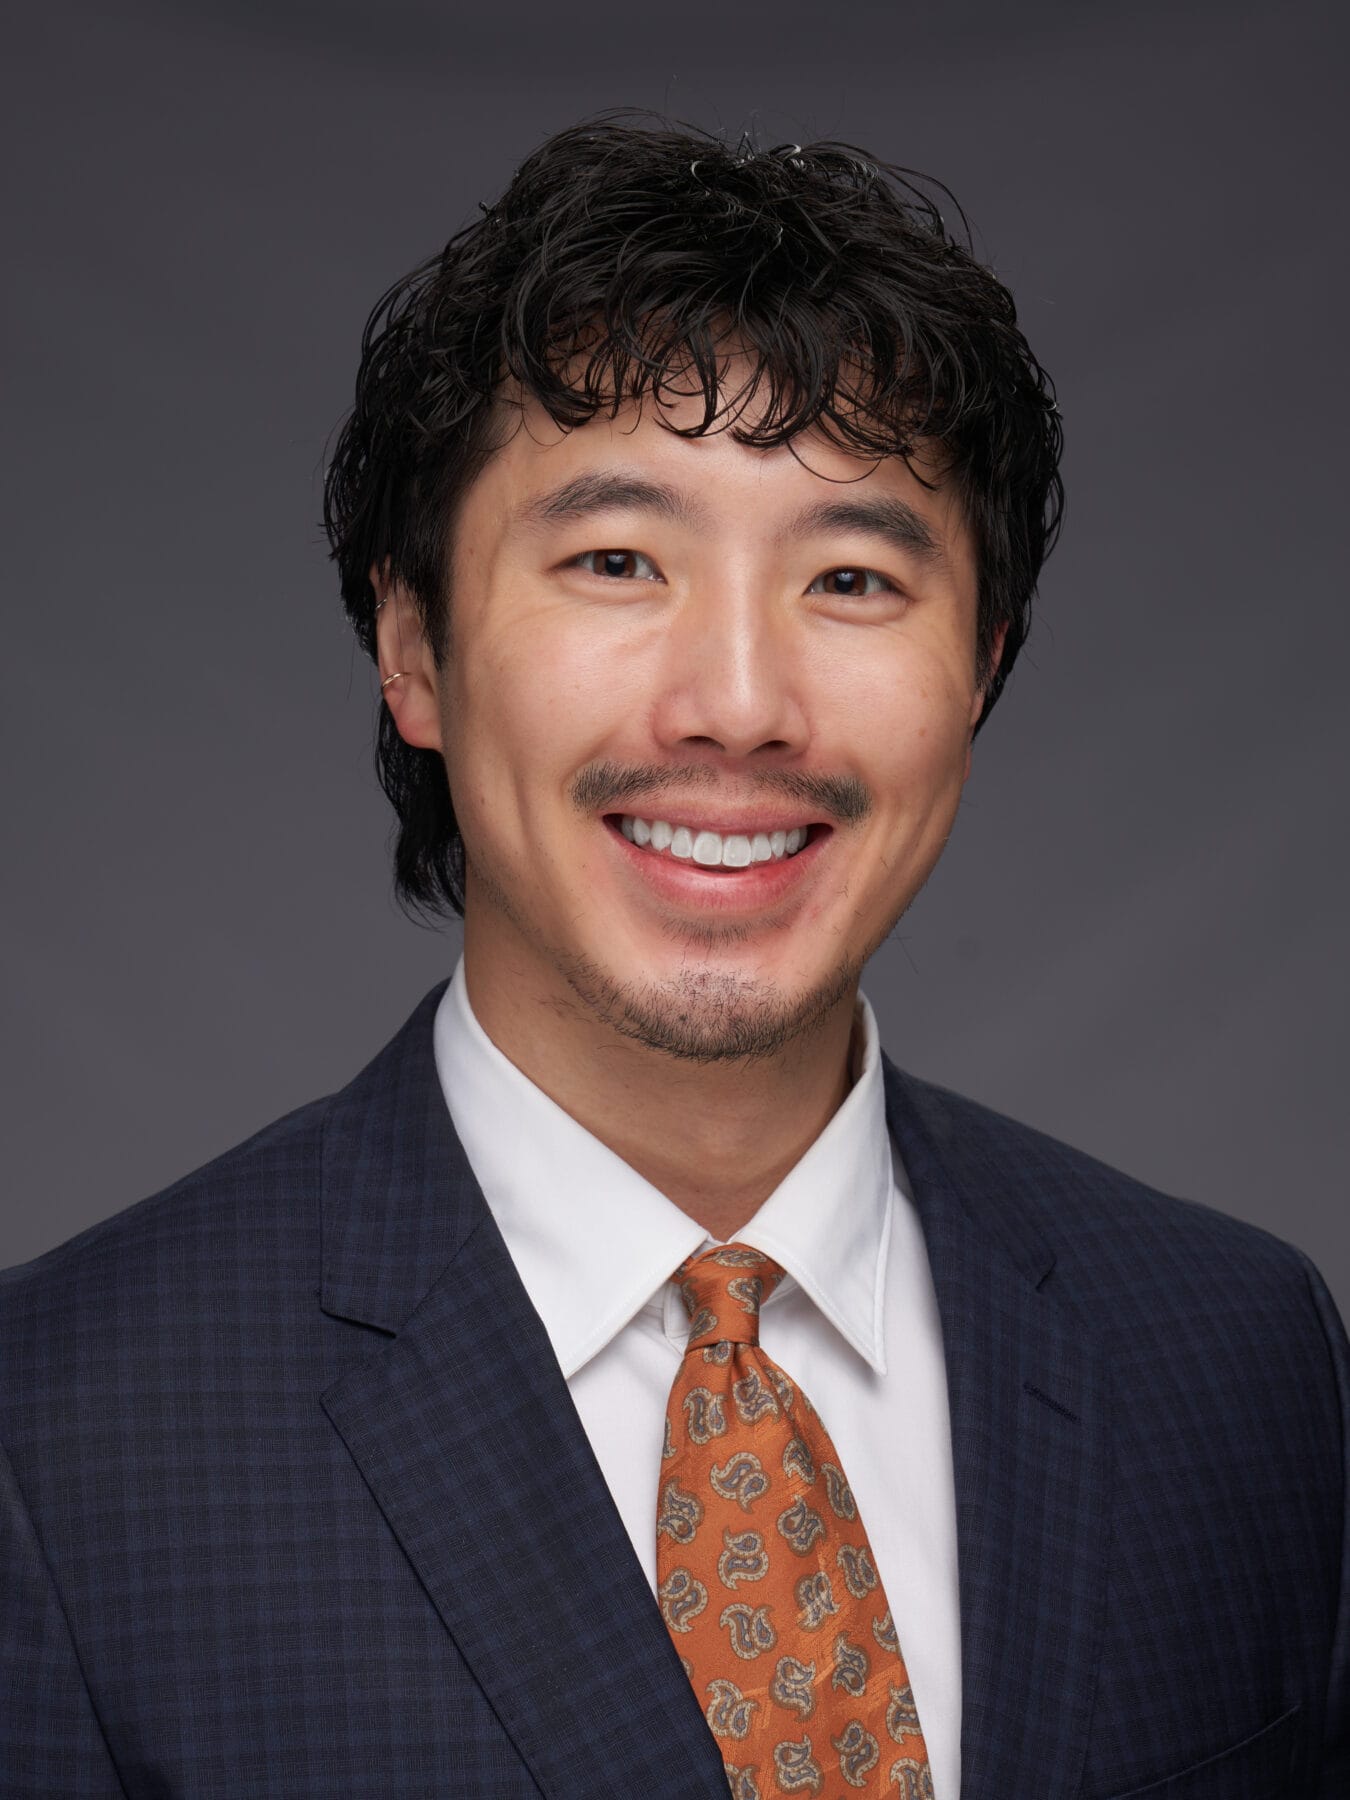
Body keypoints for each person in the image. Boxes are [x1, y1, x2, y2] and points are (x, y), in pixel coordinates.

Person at [1, 116, 1344, 1800]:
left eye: (850, 576)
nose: (737, 702)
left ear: (982, 666)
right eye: (616, 561)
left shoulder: (1235, 1355)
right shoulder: (56, 1436)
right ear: (411, 648)